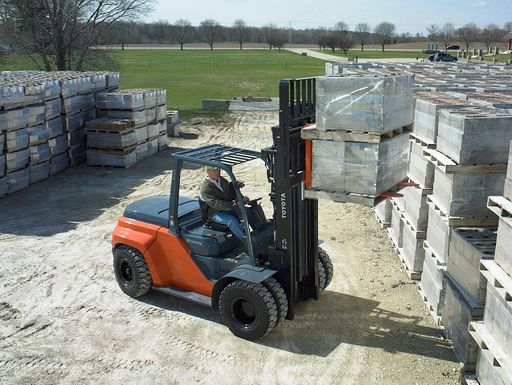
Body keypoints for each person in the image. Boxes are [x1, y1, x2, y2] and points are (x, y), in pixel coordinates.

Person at [199, 166, 252, 241]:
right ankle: (246, 241)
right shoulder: (206, 188)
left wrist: (240, 198)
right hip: (216, 212)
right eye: (214, 170)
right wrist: (235, 205)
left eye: (217, 169)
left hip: (228, 208)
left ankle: (258, 230)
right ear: (208, 171)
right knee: (231, 221)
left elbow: (230, 194)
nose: (216, 172)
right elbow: (216, 204)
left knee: (248, 211)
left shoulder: (222, 181)